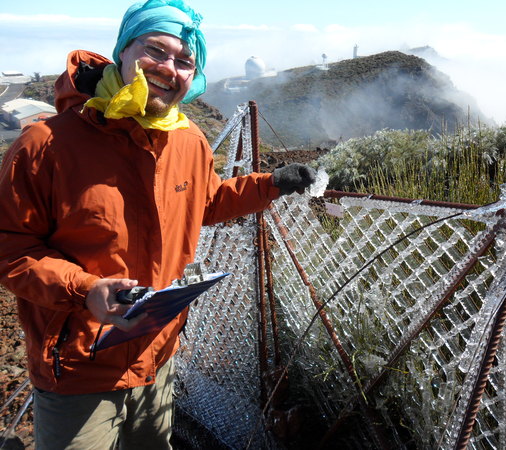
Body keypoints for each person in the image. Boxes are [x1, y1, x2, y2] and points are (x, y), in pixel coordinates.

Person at [0, 1, 315, 448]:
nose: (170, 68)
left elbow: (204, 202)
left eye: (185, 61)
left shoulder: (187, 139)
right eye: (155, 50)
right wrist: (84, 289)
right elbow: (10, 247)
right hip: (79, 363)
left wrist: (271, 185)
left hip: (158, 352)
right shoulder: (45, 144)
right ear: (122, 51)